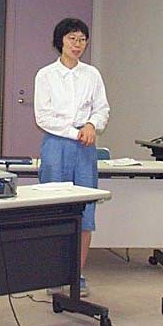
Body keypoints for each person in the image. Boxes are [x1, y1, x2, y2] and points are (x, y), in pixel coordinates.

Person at [34, 17, 110, 297]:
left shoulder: (92, 74)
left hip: (85, 147)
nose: (77, 44)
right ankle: (53, 272)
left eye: (82, 39)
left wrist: (91, 125)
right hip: (57, 144)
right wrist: (74, 132)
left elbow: (102, 109)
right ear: (60, 41)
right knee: (54, 210)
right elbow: (43, 117)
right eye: (71, 38)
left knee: (85, 213)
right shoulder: (46, 75)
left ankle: (76, 274)